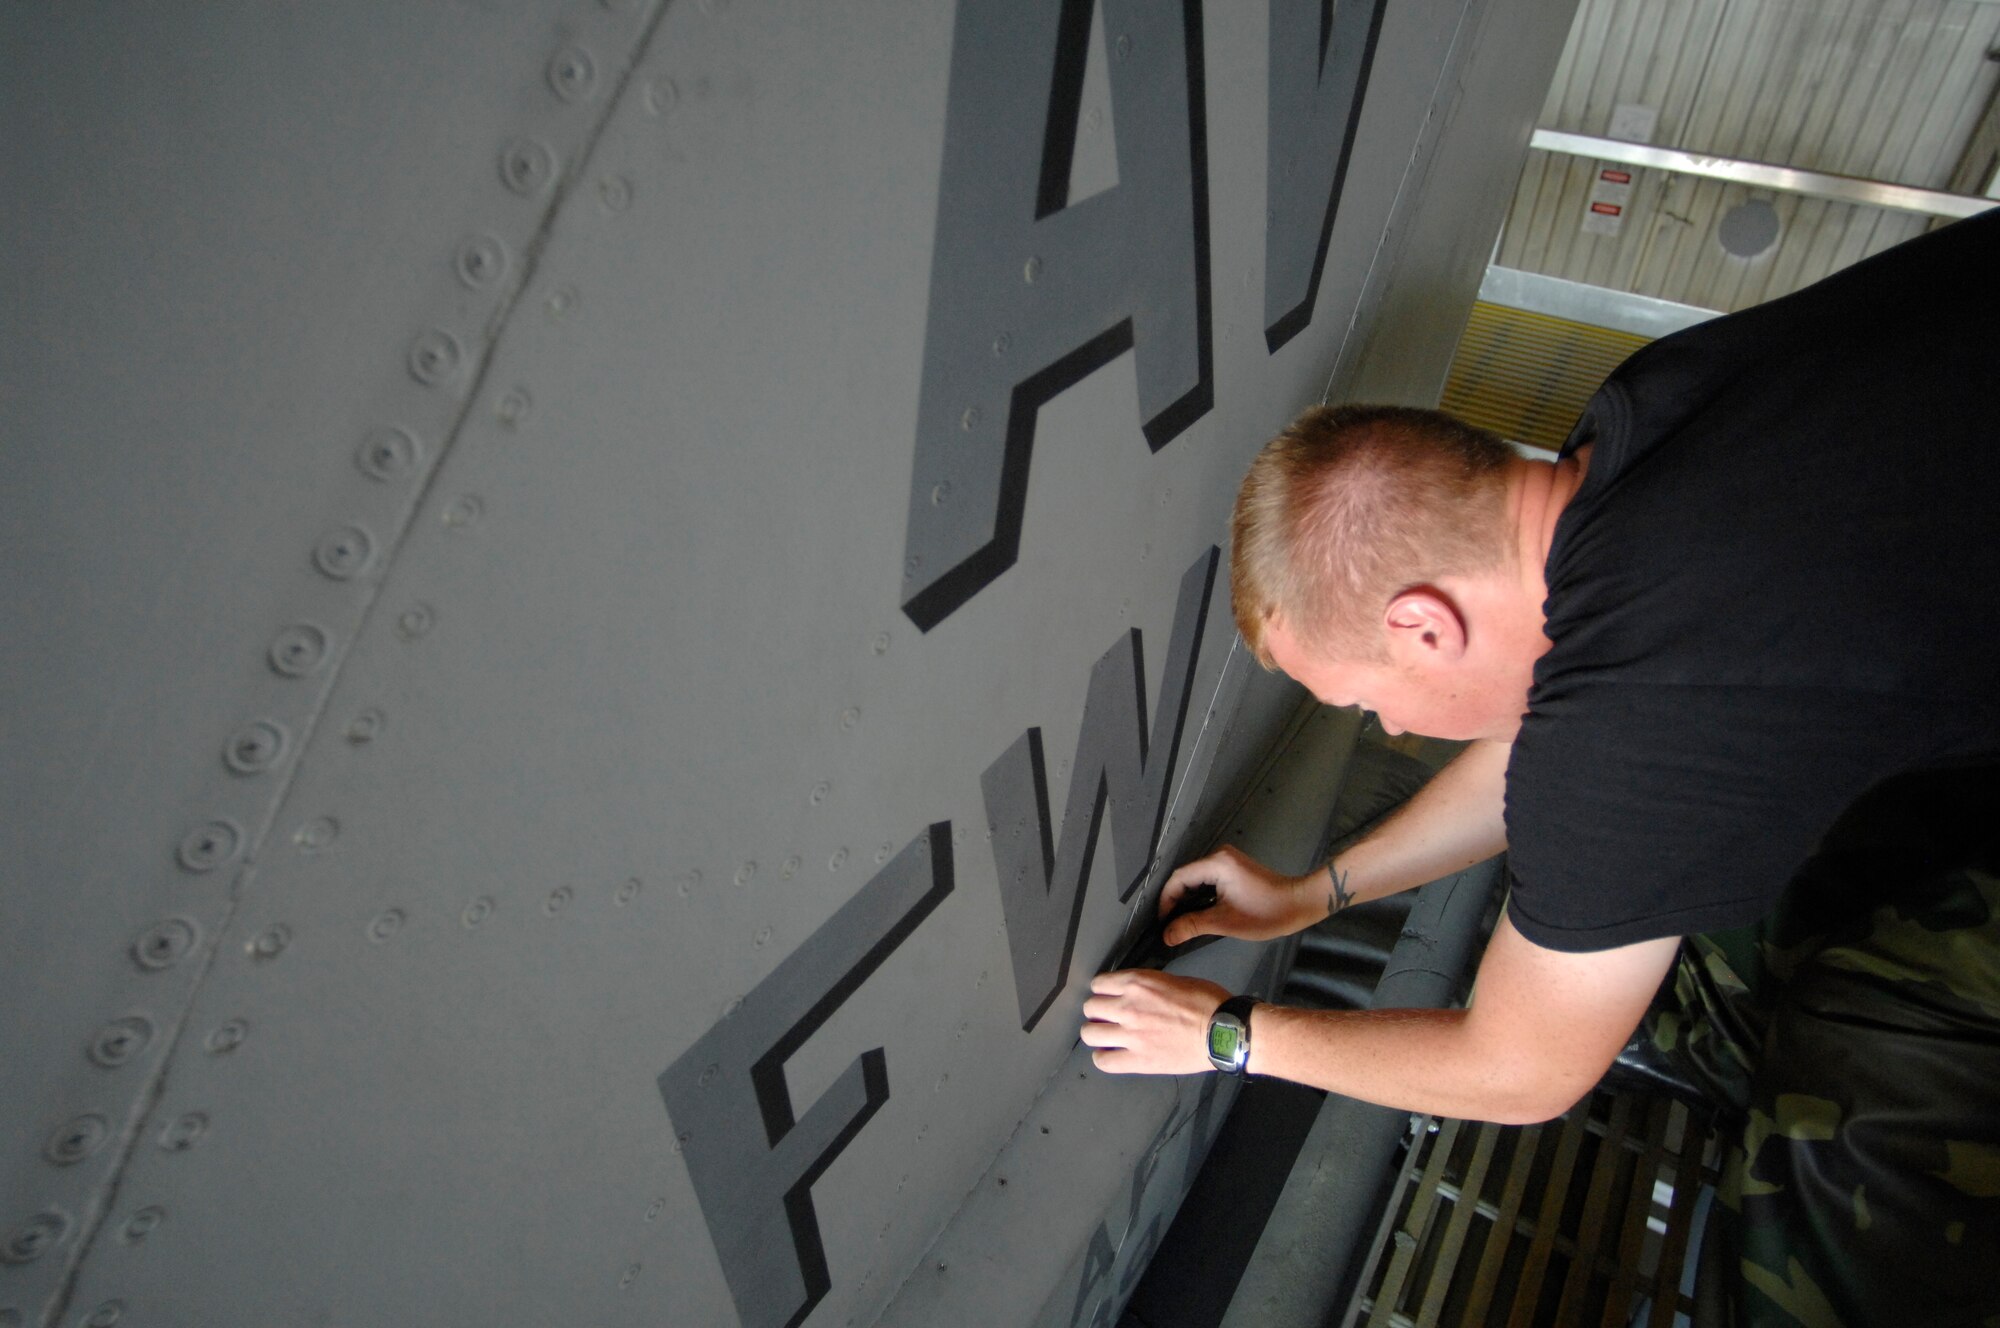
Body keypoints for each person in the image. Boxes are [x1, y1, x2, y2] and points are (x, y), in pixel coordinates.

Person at [1080, 209, 2000, 1325]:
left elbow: (1519, 1070)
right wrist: (1311, 893)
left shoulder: (1637, 717)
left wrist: (1226, 1034)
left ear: (1422, 626)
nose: (1397, 729)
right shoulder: (1634, 426)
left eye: (1368, 699)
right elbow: (1554, 742)